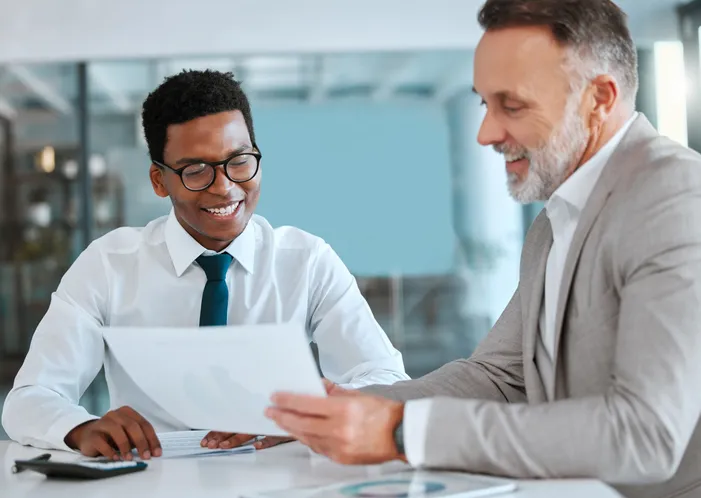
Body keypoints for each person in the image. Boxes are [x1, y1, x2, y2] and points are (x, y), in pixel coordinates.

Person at [264, 1, 701, 497]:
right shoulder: (554, 221)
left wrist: (399, 431)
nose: (486, 133)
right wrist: (339, 409)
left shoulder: (676, 197)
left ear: (598, 97)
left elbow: (646, 434)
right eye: (484, 104)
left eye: (511, 106)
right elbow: (498, 376)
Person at [1, 70, 408, 461]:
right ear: (159, 181)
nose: (225, 186)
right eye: (196, 170)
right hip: (153, 479)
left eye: (239, 161)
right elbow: (28, 399)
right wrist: (79, 428)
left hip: (282, 475)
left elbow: (387, 379)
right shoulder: (109, 265)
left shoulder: (306, 261)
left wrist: (314, 408)